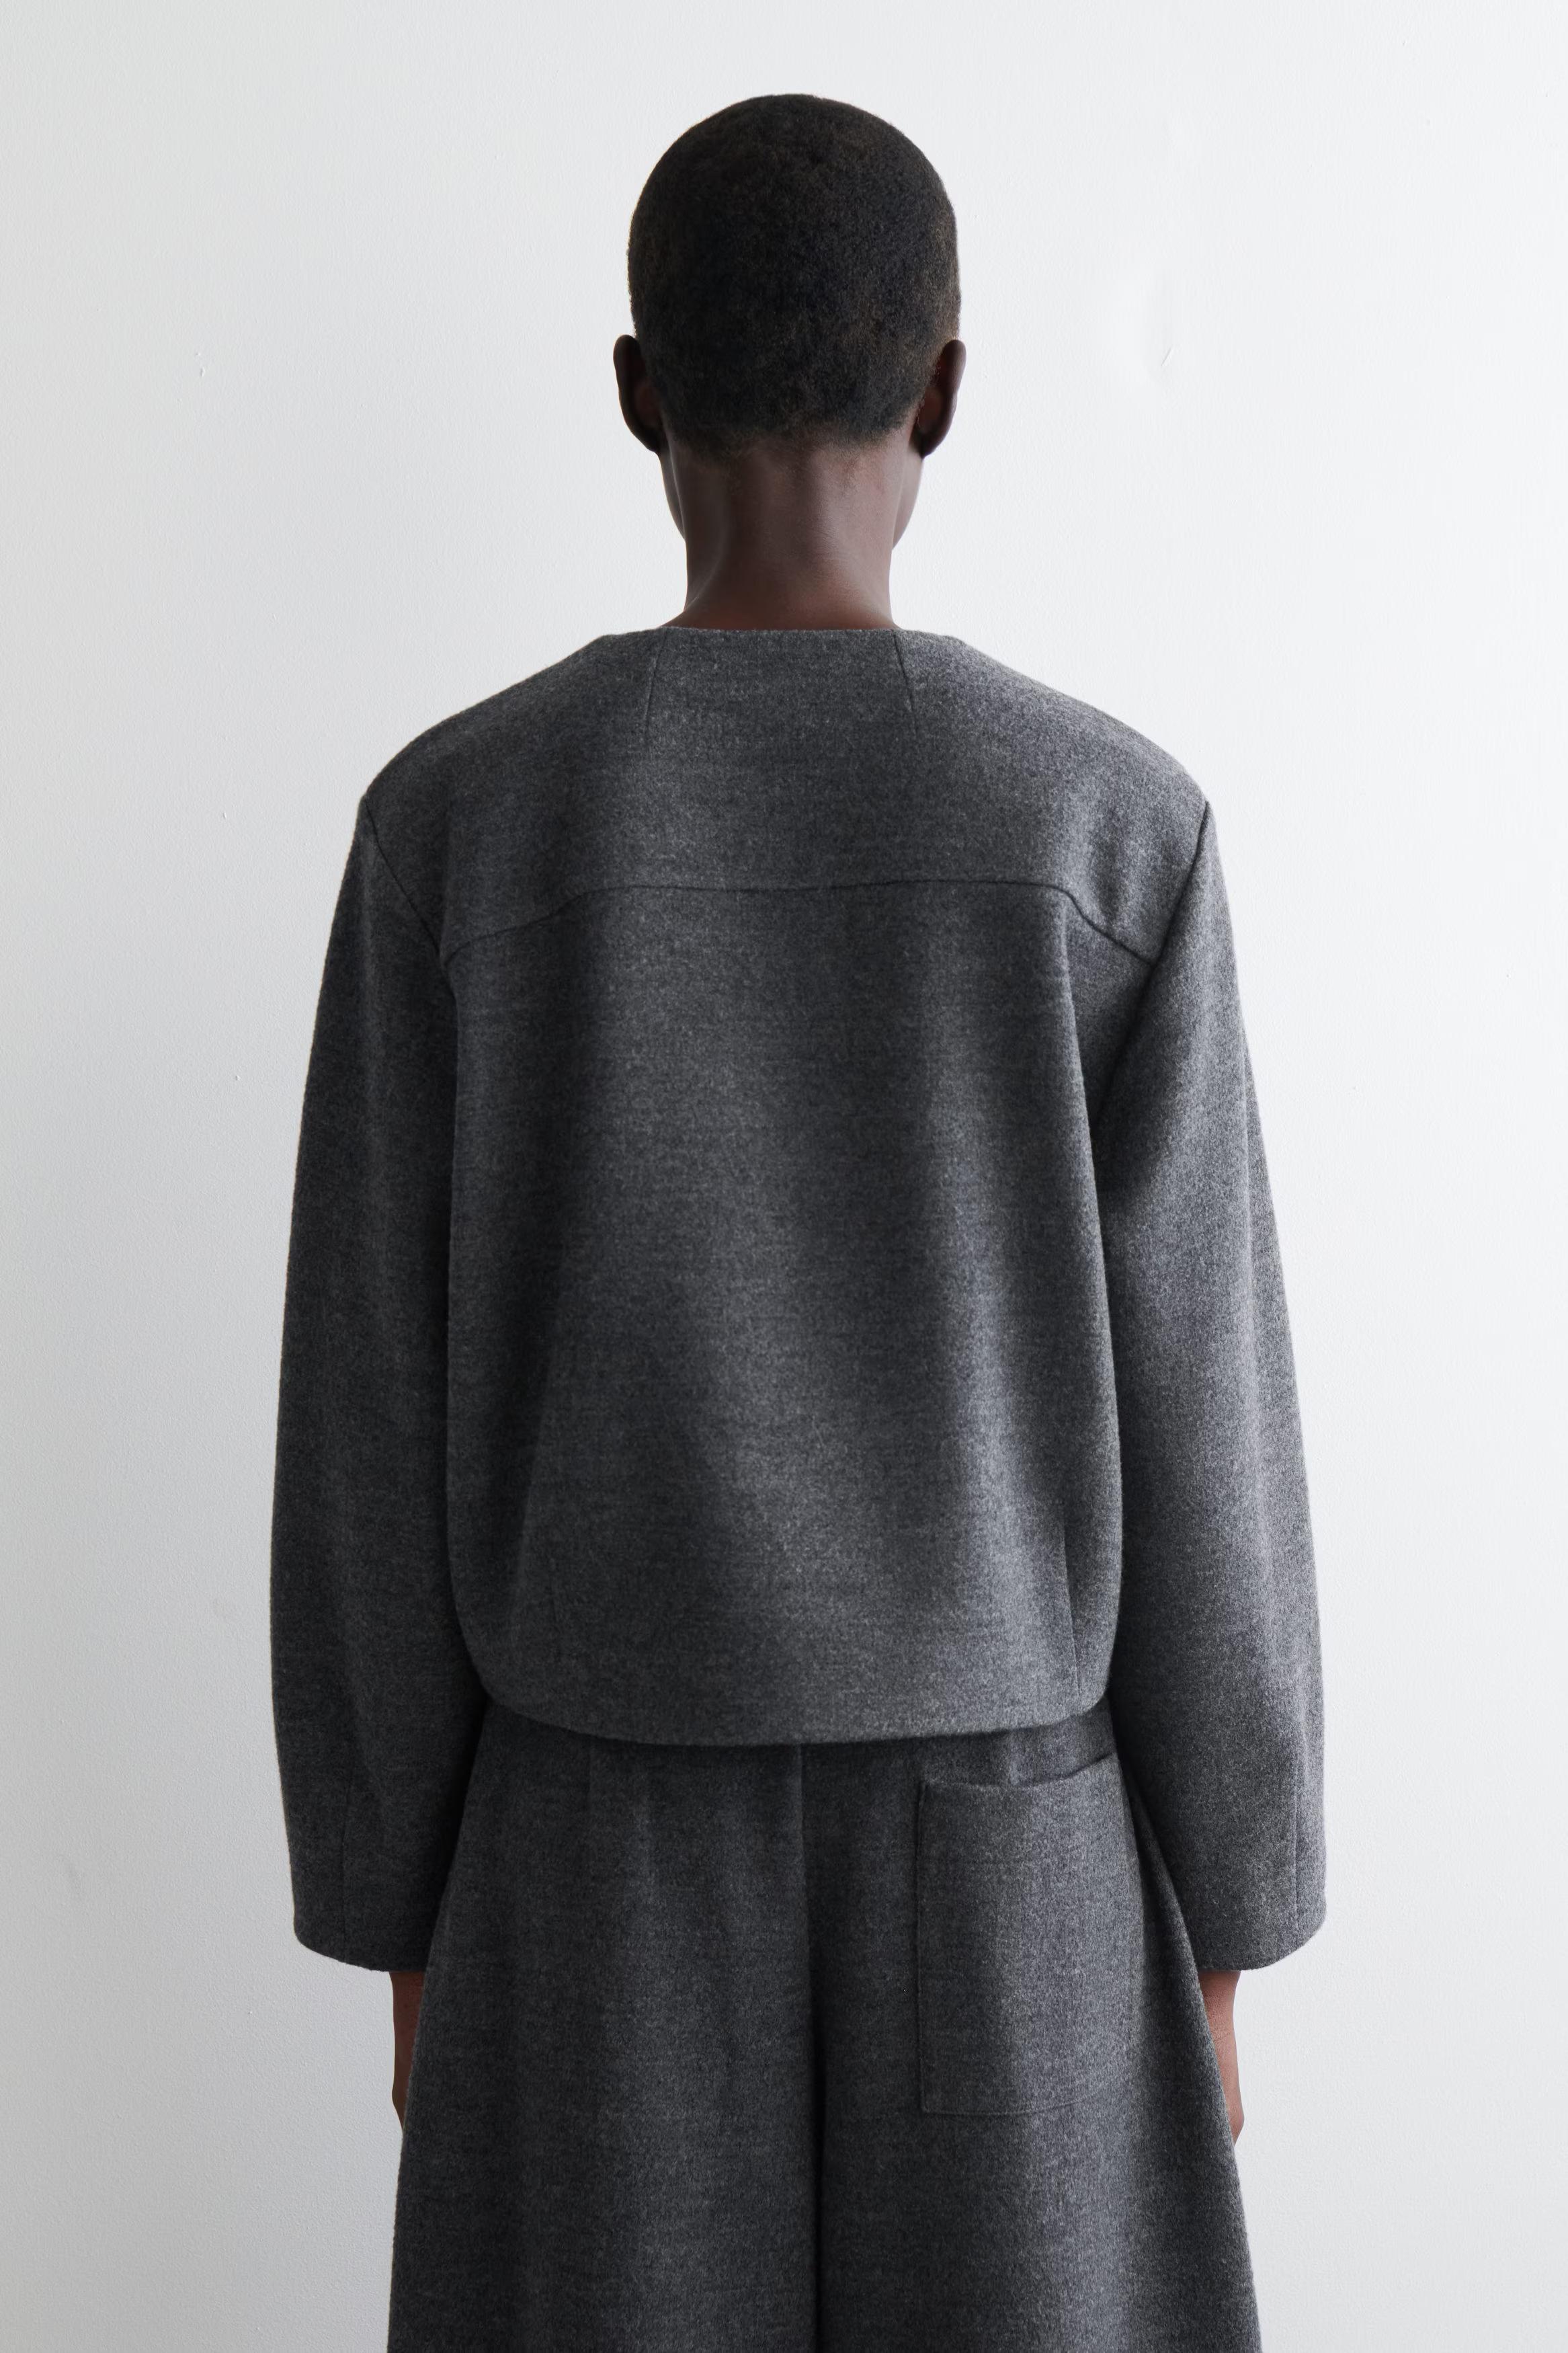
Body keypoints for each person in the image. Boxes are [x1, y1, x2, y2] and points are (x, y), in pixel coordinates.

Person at [270, 91, 1325, 2353]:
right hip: (1020, 1851)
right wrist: (1233, 1903)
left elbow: (365, 1413)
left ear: (635, 390)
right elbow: (1207, 1417)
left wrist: (392, 1895)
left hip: (583, 1857)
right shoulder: (1108, 831)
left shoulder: (456, 832)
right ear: (943, 389)